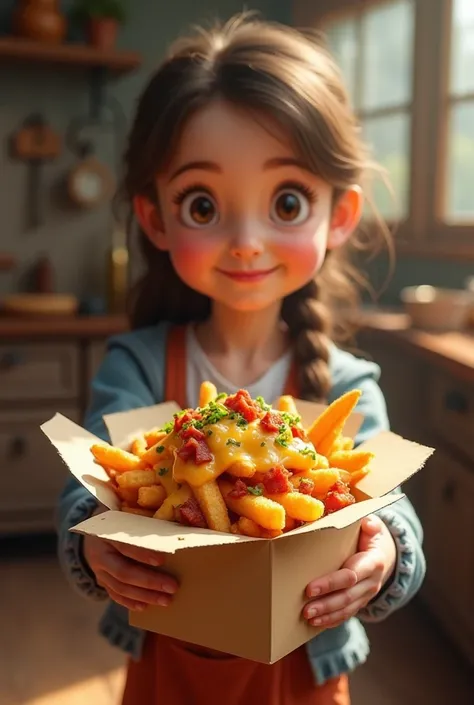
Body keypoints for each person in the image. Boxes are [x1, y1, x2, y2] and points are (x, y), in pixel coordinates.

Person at [56, 13, 425, 705]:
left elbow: (390, 510)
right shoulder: (136, 365)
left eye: (287, 200)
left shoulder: (345, 385)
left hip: (307, 673)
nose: (248, 241)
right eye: (203, 204)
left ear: (339, 214)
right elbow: (90, 488)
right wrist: (92, 542)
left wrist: (385, 553)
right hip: (168, 664)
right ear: (155, 217)